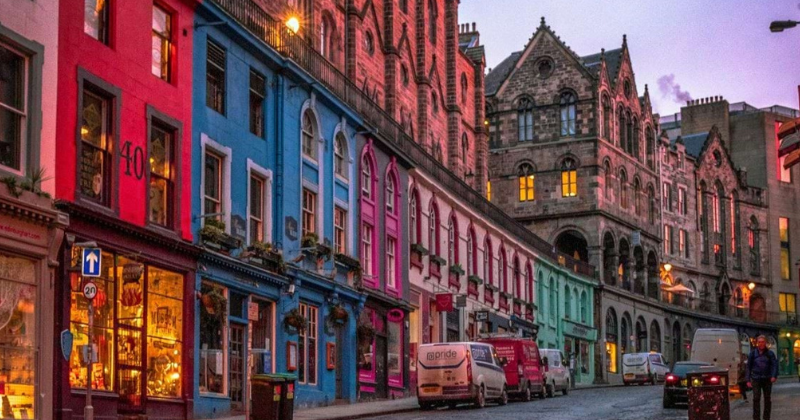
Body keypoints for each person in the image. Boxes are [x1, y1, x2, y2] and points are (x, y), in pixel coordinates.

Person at [746, 335, 778, 420]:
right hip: (756, 378)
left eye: (762, 342)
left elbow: (774, 365)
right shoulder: (752, 354)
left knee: (767, 399)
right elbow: (748, 367)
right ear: (757, 343)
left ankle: (766, 417)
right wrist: (748, 380)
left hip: (767, 379)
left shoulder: (770, 353)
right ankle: (756, 417)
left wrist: (773, 376)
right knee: (756, 398)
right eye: (759, 342)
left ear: (765, 343)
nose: (761, 344)